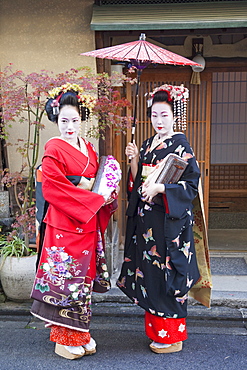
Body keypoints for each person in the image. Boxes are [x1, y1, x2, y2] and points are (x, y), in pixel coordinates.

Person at [117, 84, 210, 353]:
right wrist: (134, 161)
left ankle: (172, 336)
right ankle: (156, 331)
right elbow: (137, 183)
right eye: (155, 115)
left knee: (169, 275)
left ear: (174, 116)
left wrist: (161, 189)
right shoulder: (147, 144)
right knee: (151, 276)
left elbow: (191, 185)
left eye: (164, 115)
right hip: (148, 224)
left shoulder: (181, 145)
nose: (159, 121)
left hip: (169, 224)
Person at [30, 84, 119, 360]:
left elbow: (98, 180)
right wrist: (88, 194)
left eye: (75, 121)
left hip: (87, 222)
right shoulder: (53, 147)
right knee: (65, 281)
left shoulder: (89, 148)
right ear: (57, 120)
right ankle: (64, 338)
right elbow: (52, 186)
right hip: (64, 224)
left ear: (83, 120)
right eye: (64, 121)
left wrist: (106, 191)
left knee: (83, 280)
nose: (69, 127)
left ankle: (80, 334)